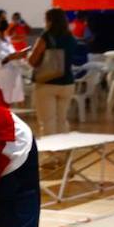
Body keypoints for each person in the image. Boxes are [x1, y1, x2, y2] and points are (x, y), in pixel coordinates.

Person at [27, 8, 77, 136]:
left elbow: (33, 61)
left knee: (48, 122)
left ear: (49, 20)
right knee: (62, 120)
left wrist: (27, 56)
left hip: (47, 83)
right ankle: (63, 153)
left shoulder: (46, 37)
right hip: (67, 83)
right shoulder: (70, 36)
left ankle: (51, 154)